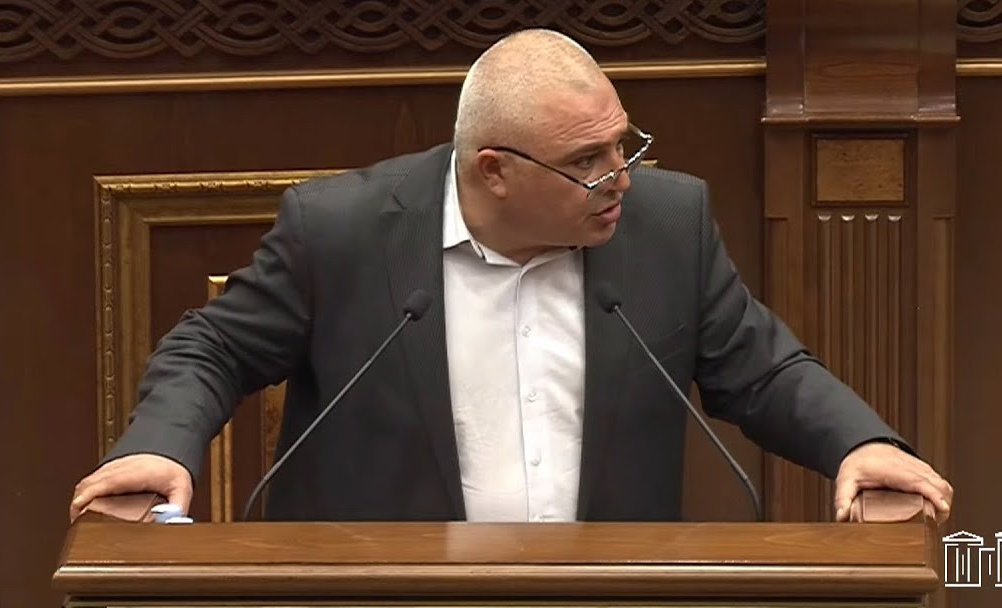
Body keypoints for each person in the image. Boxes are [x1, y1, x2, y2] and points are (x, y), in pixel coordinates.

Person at [70, 29, 953, 524]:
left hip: (606, 594)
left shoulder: (665, 223)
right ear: (492, 170)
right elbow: (213, 348)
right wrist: (158, 447)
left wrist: (859, 444)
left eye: (623, 145)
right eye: (587, 161)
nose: (621, 178)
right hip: (384, 595)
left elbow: (760, 370)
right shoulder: (342, 231)